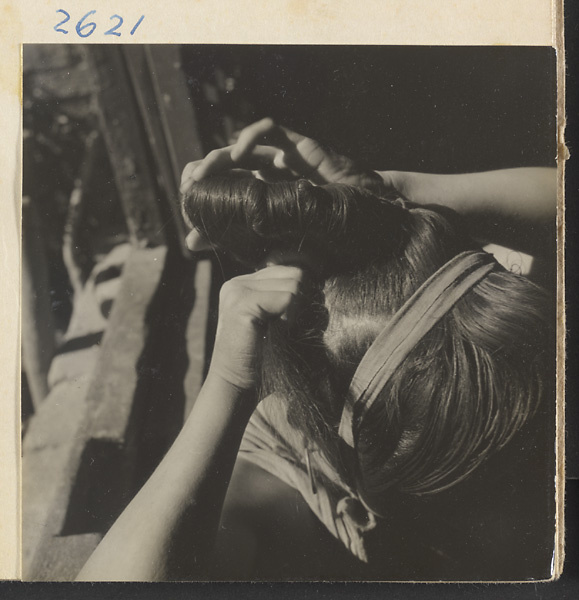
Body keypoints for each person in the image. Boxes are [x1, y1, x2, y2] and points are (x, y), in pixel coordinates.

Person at [77, 119, 557, 582]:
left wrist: (398, 192)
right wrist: (227, 383)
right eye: (484, 483)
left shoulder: (495, 342)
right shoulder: (284, 481)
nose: (544, 489)